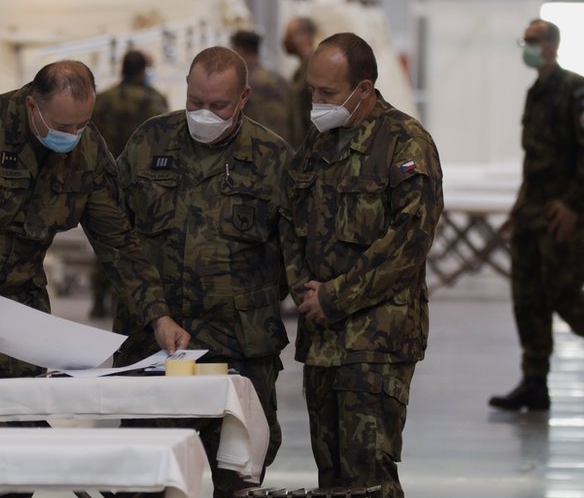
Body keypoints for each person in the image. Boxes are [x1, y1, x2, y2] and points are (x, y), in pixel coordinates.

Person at [0, 60, 190, 430]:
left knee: (19, 420)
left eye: (82, 125)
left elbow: (119, 243)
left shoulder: (88, 150)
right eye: (64, 126)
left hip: (17, 309)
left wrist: (157, 314)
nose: (74, 135)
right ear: (33, 105)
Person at [115, 46, 293, 496]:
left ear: (244, 97)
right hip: (153, 351)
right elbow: (118, 239)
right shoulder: (149, 142)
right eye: (196, 102)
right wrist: (154, 310)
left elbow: (294, 255)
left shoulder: (272, 158)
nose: (204, 113)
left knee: (238, 480)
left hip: (240, 355)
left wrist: (240, 302)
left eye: (218, 105)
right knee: (147, 480)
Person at [278, 33, 443, 498]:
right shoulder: (318, 143)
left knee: (368, 476)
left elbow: (410, 241)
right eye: (313, 90)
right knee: (330, 477)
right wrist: (303, 292)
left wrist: (334, 296)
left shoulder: (405, 144)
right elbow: (290, 218)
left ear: (364, 89)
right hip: (322, 335)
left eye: (327, 93)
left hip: (378, 339)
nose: (316, 101)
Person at [489, 19, 584, 411]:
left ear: (552, 45)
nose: (527, 46)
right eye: (524, 40)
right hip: (532, 211)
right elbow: (534, 161)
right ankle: (534, 382)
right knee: (526, 298)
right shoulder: (536, 93)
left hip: (562, 212)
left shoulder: (573, 90)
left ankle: (535, 379)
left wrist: (574, 205)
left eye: (534, 40)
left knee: (564, 296)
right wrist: (517, 209)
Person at [88, 50, 170, 319]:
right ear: (143, 70)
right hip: (143, 181)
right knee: (134, 241)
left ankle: (99, 299)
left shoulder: (102, 100)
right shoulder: (153, 99)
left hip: (104, 177)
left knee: (105, 235)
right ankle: (130, 299)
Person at [230, 29, 293, 145]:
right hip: (282, 148)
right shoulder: (279, 79)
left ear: (239, 48)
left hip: (255, 149)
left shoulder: (240, 82)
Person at [282, 17, 318, 147]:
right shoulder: (301, 70)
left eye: (289, 35)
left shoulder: (316, 66)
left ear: (306, 37)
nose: (286, 40)